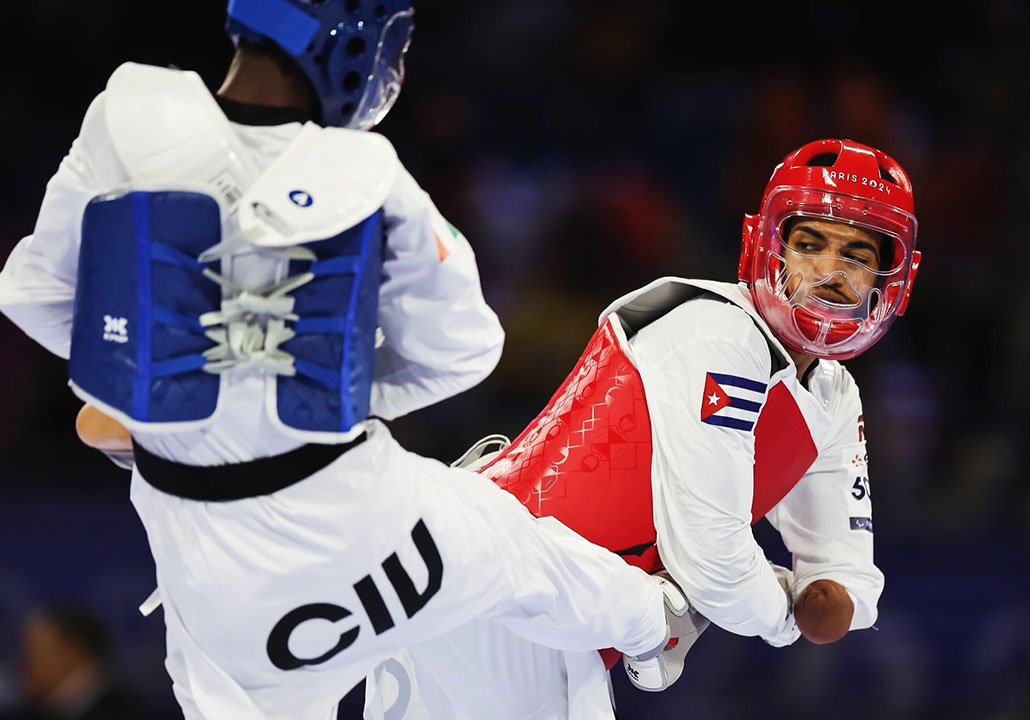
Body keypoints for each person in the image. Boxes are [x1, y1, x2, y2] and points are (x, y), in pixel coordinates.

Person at [0, 2, 678, 718]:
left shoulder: (127, 117)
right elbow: (467, 348)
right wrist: (331, 394)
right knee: (520, 553)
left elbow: (32, 292)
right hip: (364, 522)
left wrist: (161, 393)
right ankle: (657, 622)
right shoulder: (367, 174)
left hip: (215, 574)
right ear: (359, 44)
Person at [362, 138, 923, 719]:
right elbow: (715, 563)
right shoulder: (718, 334)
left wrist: (803, 600)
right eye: (809, 245)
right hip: (498, 586)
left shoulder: (832, 396)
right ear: (766, 245)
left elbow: (843, 580)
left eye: (857, 256)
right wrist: (775, 611)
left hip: (547, 616)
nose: (829, 272)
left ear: (893, 278)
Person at [16, 605, 144, 720]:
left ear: (72, 651)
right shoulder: (51, 710)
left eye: (35, 651)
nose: (24, 663)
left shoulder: (117, 714)